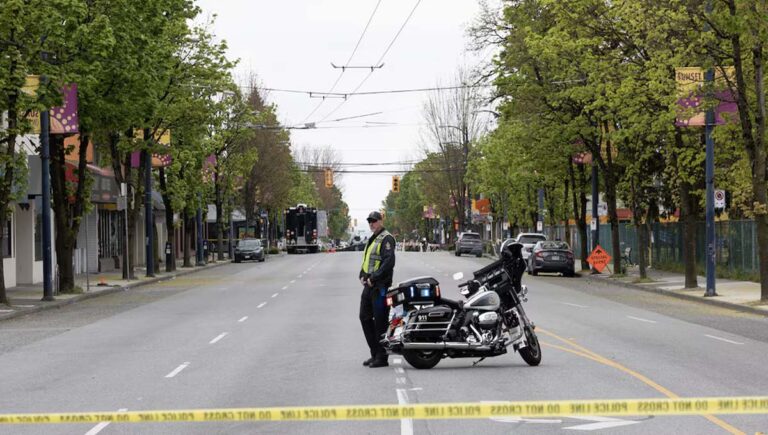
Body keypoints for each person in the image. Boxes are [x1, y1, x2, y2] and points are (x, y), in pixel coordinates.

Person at [359, 211, 397, 368]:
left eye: (374, 221)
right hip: (369, 285)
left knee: (380, 321)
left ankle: (382, 357)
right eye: (370, 221)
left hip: (380, 286)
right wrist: (362, 274)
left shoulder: (386, 238)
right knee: (364, 317)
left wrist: (373, 277)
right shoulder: (372, 239)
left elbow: (388, 262)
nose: (371, 223)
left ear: (381, 221)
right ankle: (374, 353)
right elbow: (368, 260)